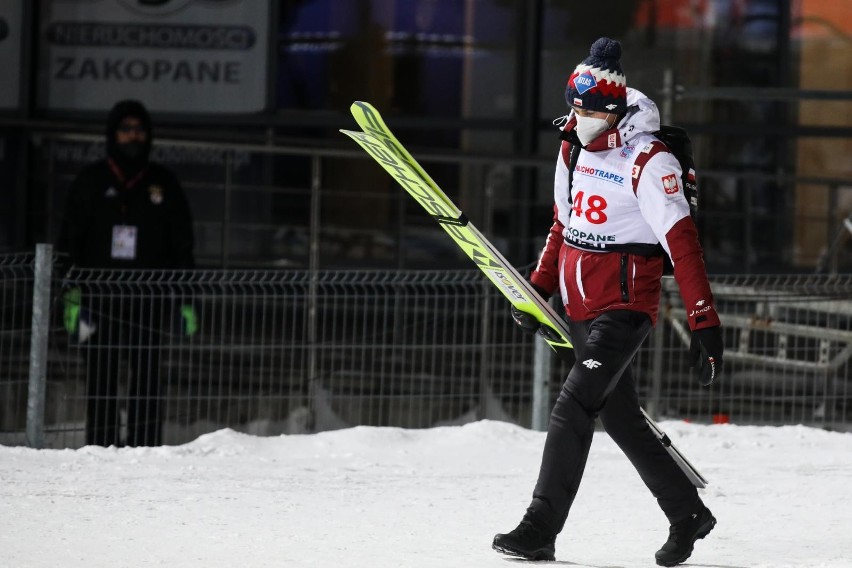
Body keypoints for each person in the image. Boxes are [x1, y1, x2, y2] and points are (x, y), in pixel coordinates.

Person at [492, 38, 725, 567]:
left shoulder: (648, 159)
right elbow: (563, 223)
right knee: (620, 418)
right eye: (574, 107)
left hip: (625, 306)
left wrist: (704, 322)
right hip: (578, 303)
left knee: (573, 407)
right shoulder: (571, 147)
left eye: (591, 109)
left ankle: (539, 528)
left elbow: (683, 244)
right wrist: (538, 287)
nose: (579, 118)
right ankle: (687, 513)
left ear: (616, 109)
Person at [57, 99, 197, 447]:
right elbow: (69, 242)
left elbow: (183, 245)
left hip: (148, 301)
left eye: (139, 129)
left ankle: (144, 449)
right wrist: (71, 297)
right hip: (98, 300)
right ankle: (100, 448)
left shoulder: (163, 183)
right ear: (112, 134)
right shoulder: (91, 181)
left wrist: (188, 301)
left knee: (147, 379)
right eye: (125, 129)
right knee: (100, 380)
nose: (133, 136)